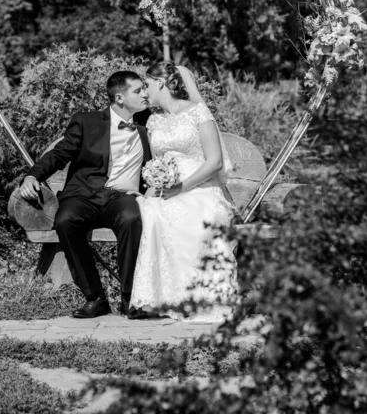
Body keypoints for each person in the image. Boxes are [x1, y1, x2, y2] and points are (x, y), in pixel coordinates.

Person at [20, 71, 151, 319]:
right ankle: (95, 297)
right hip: (83, 196)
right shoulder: (87, 121)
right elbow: (60, 154)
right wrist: (32, 175)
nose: (145, 93)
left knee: (133, 217)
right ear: (120, 97)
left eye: (145, 89)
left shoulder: (148, 128)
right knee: (65, 221)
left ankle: (130, 299)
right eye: (138, 90)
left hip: (121, 198)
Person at [130, 63, 239, 322]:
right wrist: (154, 187)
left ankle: (205, 300)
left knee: (203, 220)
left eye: (147, 84)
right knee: (152, 214)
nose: (145, 90)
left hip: (202, 188)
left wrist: (182, 187)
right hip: (167, 190)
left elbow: (214, 162)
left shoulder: (198, 113)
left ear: (161, 83)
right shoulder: (154, 120)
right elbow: (157, 163)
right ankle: (163, 299)